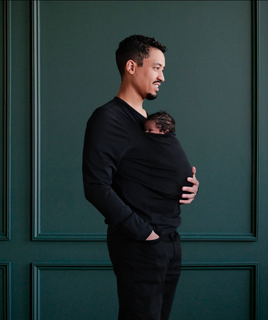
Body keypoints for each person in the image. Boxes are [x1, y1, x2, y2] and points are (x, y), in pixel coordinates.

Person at [82, 35, 199, 320]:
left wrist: (189, 185)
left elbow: (151, 172)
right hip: (141, 243)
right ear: (132, 67)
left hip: (169, 240)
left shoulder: (149, 121)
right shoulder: (108, 118)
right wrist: (143, 232)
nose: (162, 77)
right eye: (156, 68)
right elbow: (96, 186)